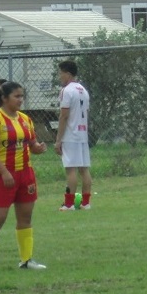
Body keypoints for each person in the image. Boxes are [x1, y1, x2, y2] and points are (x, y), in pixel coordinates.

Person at [0, 80, 48, 273]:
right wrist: (4, 171)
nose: (20, 100)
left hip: (25, 175)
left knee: (25, 217)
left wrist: (38, 149)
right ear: (4, 98)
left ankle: (26, 260)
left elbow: (31, 144)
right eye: (16, 96)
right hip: (2, 176)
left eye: (22, 96)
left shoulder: (25, 119)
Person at [55, 60, 92, 211]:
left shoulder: (67, 90)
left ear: (68, 74)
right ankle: (86, 203)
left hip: (71, 135)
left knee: (70, 169)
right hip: (82, 134)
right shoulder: (83, 90)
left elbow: (64, 116)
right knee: (84, 169)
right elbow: (86, 112)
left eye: (61, 73)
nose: (60, 77)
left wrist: (58, 140)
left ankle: (69, 204)